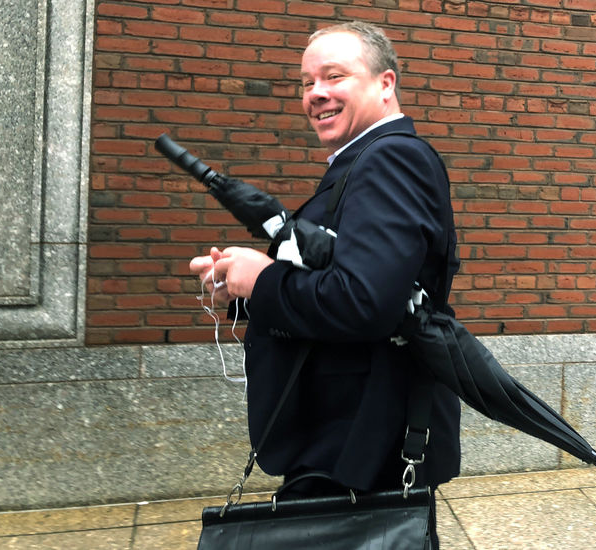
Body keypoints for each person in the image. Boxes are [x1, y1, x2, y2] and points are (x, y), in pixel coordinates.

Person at [190, 21, 460, 546]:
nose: (315, 94)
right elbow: (343, 282)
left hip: (360, 438)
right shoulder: (362, 162)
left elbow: (365, 303)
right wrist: (243, 293)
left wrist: (263, 280)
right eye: (306, 82)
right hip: (346, 434)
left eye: (333, 76)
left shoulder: (391, 159)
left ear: (385, 84)